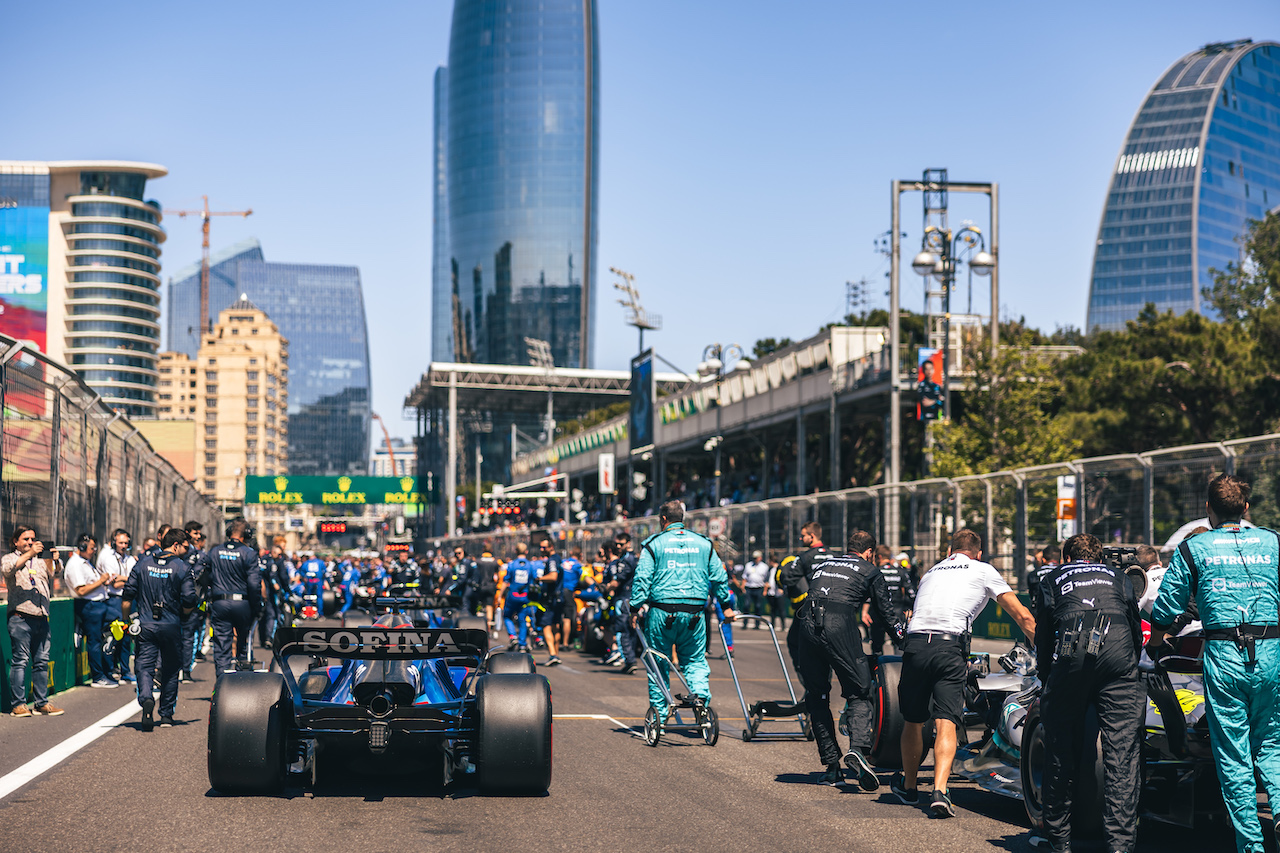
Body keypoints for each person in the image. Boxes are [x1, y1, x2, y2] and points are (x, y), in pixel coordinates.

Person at [1149, 474, 1280, 853]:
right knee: (1272, 744)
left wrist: (1157, 644)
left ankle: (1251, 845)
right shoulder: (1273, 541)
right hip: (1271, 653)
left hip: (1224, 656)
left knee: (1233, 752)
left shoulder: (1196, 547)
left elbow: (1167, 606)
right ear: (1247, 508)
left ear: (1208, 510)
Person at [892, 529, 1035, 817]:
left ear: (950, 551)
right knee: (946, 721)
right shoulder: (983, 569)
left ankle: (909, 788)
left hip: (916, 644)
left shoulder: (931, 572)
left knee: (913, 720)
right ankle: (940, 791)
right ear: (979, 553)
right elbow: (1022, 615)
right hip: (949, 646)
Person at [1033, 533, 1143, 853]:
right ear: (1099, 558)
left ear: (1067, 558)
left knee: (1060, 750)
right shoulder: (1119, 576)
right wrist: (1129, 669)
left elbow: (1043, 635)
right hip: (1120, 659)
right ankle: (1120, 846)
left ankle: (1059, 842)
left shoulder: (1052, 577)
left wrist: (1045, 679)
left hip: (1071, 656)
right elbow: (1134, 628)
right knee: (1122, 757)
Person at [630, 501, 735, 725]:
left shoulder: (653, 543)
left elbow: (642, 578)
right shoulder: (704, 543)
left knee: (658, 662)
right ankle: (701, 702)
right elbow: (719, 576)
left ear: (663, 520)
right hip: (696, 611)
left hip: (662, 609)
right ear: (683, 519)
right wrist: (725, 605)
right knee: (695, 660)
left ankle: (660, 712)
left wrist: (634, 607)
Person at [123, 528, 198, 731]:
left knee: (144, 666)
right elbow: (191, 599)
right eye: (185, 546)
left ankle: (146, 698)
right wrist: (183, 613)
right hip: (171, 624)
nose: (187, 550)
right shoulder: (182, 567)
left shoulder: (143, 563)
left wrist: (126, 621)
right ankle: (166, 715)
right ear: (175, 545)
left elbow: (128, 594)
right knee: (171, 669)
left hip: (146, 624)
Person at [3, 526, 64, 717]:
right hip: (20, 617)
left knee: (41, 662)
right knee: (20, 661)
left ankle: (41, 703)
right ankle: (18, 705)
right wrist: (30, 553)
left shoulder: (39, 561)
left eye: (33, 539)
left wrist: (54, 561)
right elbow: (8, 570)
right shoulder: (10, 558)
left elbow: (55, 574)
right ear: (16, 541)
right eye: (26, 539)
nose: (30, 542)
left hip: (41, 617)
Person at [778, 522, 835, 672]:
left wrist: (782, 571)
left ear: (812, 536)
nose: (801, 538)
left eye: (803, 536)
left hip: (811, 609)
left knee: (795, 643)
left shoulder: (804, 557)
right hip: (834, 608)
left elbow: (787, 578)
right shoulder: (835, 555)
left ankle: (810, 685)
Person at [207, 519, 262, 674]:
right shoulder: (249, 553)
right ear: (247, 535)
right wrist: (256, 607)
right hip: (242, 604)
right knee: (243, 642)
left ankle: (221, 684)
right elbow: (253, 584)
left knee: (221, 645)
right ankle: (241, 680)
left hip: (220, 602)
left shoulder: (215, 551)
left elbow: (203, 575)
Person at [63, 534, 117, 688]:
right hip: (89, 606)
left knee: (112, 633)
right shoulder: (75, 564)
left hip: (99, 604)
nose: (94, 551)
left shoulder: (85, 562)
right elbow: (81, 590)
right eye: (92, 548)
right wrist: (100, 581)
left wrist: (104, 582)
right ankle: (98, 676)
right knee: (94, 641)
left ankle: (108, 671)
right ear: (82, 547)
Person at [97, 528, 135, 682]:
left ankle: (125, 670)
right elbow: (115, 584)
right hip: (114, 600)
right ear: (114, 543)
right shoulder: (109, 558)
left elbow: (130, 580)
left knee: (127, 637)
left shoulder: (130, 559)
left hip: (129, 600)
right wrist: (129, 579)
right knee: (112, 637)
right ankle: (110, 670)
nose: (124, 546)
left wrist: (123, 579)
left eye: (126, 543)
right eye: (120, 543)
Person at [865, 548, 915, 656]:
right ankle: (899, 669)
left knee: (877, 646)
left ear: (879, 557)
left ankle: (878, 671)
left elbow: (868, 595)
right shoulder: (900, 572)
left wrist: (865, 611)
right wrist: (911, 610)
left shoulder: (875, 572)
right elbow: (911, 593)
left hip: (878, 613)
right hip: (896, 612)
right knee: (899, 643)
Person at [1026, 543, 1062, 617]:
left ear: (1043, 560)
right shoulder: (1064, 572)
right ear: (1060, 560)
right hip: (1060, 611)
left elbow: (1032, 594)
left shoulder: (1034, 574)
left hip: (1039, 613)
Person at [475, 546, 500, 636]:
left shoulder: (478, 561)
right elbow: (496, 577)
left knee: (479, 606)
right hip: (491, 586)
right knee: (489, 606)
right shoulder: (495, 562)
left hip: (480, 586)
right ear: (491, 550)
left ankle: (479, 626)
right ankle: (488, 627)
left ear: (483, 550)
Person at [742, 550, 770, 624]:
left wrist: (765, 590)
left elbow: (766, 580)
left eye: (756, 558)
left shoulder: (764, 567)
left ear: (760, 558)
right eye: (754, 558)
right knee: (747, 605)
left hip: (759, 588)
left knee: (758, 606)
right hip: (749, 588)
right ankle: (745, 623)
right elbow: (744, 577)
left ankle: (757, 624)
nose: (755, 559)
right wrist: (742, 587)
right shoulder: (748, 565)